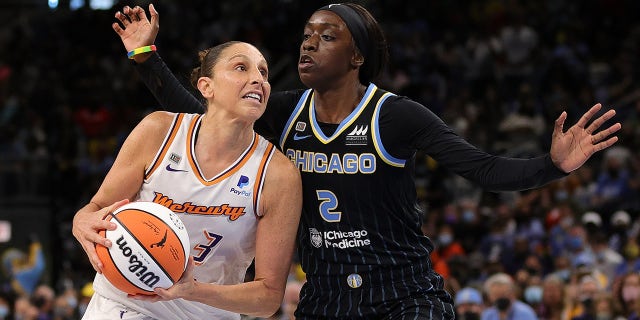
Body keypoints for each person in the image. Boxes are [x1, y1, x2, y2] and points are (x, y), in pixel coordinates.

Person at [112, 3, 621, 319]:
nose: (309, 42)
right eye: (307, 34)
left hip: (403, 293)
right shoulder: (285, 109)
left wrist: (552, 166)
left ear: (356, 57)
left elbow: (483, 169)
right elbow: (203, 113)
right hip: (326, 296)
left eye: (327, 35)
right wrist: (145, 56)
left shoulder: (396, 117)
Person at [71, 41, 303, 319]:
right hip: (124, 304)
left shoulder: (278, 174)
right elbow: (96, 209)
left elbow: (267, 298)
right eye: (241, 67)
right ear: (207, 87)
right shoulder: (158, 131)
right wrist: (80, 221)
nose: (258, 79)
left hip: (206, 313)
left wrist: (191, 290)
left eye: (264, 73)